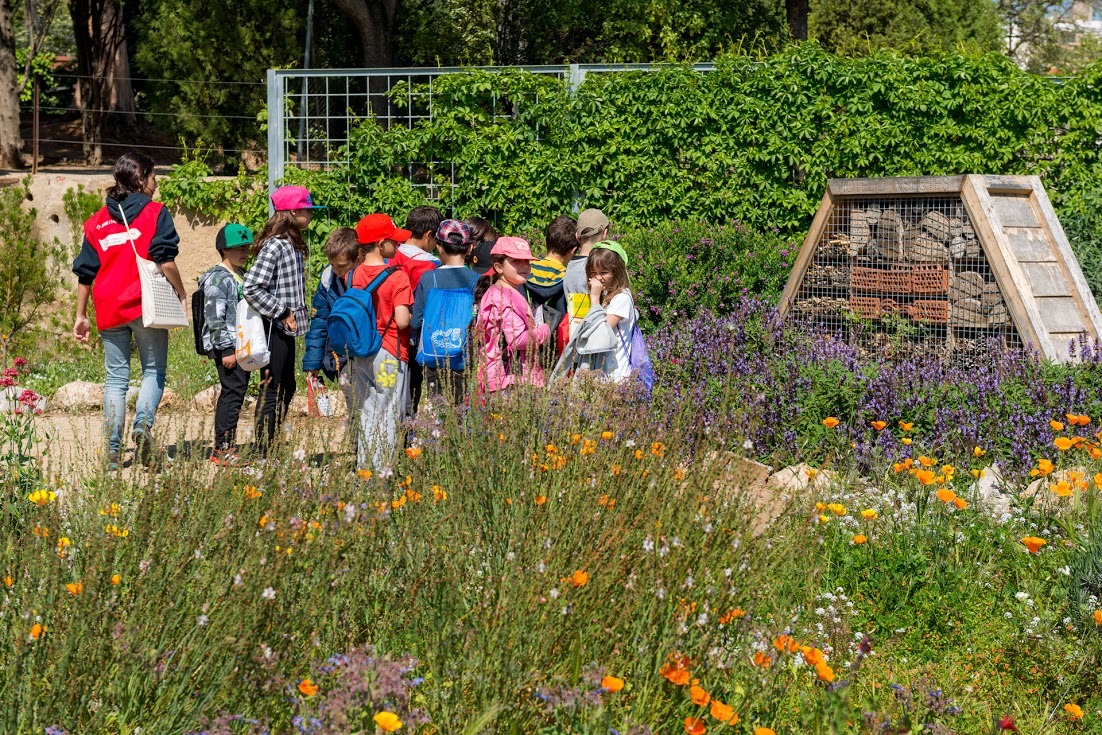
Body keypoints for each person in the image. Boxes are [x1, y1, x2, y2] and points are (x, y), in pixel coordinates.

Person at [72, 151, 186, 470]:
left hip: (108, 306)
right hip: (143, 304)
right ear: (140, 180)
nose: (156, 183)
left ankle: (111, 451)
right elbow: (165, 260)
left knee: (115, 379)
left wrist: (81, 315)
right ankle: (142, 426)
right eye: (153, 177)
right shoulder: (155, 213)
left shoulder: (96, 222)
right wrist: (181, 290)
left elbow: (85, 272)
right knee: (153, 370)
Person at [243, 185, 322, 457]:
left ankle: (270, 443)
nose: (310, 215)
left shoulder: (291, 244)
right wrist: (282, 312)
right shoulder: (275, 245)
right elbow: (251, 287)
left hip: (286, 330)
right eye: (307, 210)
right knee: (274, 387)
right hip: (273, 328)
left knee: (287, 386)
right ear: (291, 212)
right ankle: (262, 448)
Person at [350, 213, 414, 468]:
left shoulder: (354, 274)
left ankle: (365, 468)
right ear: (380, 244)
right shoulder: (398, 276)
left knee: (368, 410)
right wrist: (410, 310)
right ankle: (383, 473)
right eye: (393, 242)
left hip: (363, 352)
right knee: (388, 411)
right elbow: (402, 321)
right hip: (389, 353)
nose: (397, 246)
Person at [199, 224, 254, 465]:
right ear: (223, 250)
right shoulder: (218, 278)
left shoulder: (239, 274)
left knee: (237, 391)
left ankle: (226, 445)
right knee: (232, 393)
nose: (243, 252)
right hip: (228, 346)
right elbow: (214, 317)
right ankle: (222, 449)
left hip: (240, 344)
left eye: (246, 248)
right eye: (237, 248)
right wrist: (226, 351)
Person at [411, 219, 479, 406]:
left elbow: (416, 322)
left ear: (439, 247)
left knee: (440, 410)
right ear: (470, 248)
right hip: (465, 357)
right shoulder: (477, 280)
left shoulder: (428, 278)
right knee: (464, 410)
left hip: (434, 356)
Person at [475, 237, 551, 395]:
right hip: (512, 380)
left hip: (499, 376)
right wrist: (544, 330)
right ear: (498, 266)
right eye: (516, 261)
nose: (524, 265)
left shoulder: (497, 292)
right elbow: (518, 340)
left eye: (527, 261)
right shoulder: (505, 299)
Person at [303, 227, 364, 414]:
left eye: (342, 266)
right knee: (354, 404)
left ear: (358, 257)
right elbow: (319, 321)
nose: (337, 271)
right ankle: (357, 442)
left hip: (370, 353)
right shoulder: (328, 279)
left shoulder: (370, 277)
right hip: (343, 356)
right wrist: (313, 364)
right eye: (333, 265)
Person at [394, 206, 442, 414]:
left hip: (390, 331)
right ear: (429, 235)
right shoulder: (429, 264)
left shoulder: (391, 253)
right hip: (415, 334)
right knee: (413, 387)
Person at [584, 242, 639, 383]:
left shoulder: (621, 299)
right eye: (593, 273)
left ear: (616, 272)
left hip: (615, 377)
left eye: (603, 273)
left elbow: (601, 335)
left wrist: (594, 298)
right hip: (603, 375)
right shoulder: (608, 296)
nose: (598, 278)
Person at [527, 215, 576, 368]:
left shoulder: (523, 272)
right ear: (573, 250)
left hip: (525, 352)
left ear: (546, 241)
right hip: (555, 356)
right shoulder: (569, 278)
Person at [563, 208, 610, 338]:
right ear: (604, 233)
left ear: (577, 237)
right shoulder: (605, 269)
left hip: (575, 336)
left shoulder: (568, 268)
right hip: (599, 336)